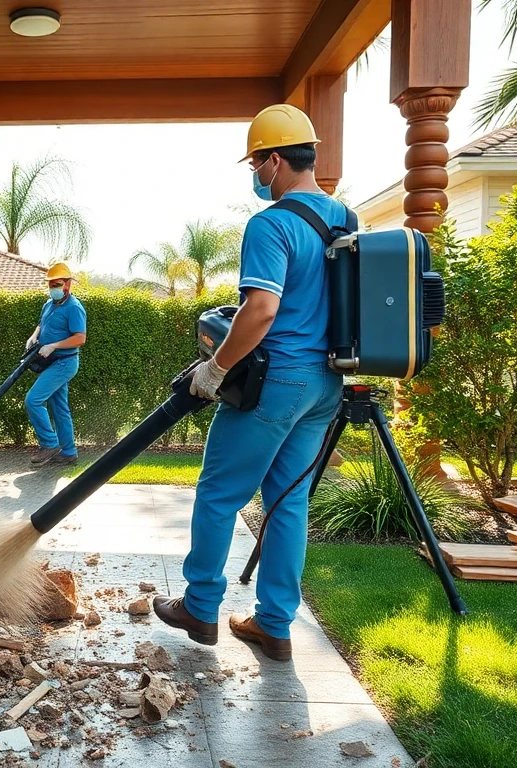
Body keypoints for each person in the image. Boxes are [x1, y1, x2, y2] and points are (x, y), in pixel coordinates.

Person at [152, 104, 347, 661]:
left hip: (276, 381)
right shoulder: (344, 219)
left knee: (219, 494)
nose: (257, 173)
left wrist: (215, 370)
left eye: (258, 162)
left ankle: (201, 606)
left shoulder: (272, 223)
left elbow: (260, 310)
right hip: (324, 384)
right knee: (287, 501)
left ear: (277, 160)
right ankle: (274, 625)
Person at [24, 263, 87, 467]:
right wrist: (34, 336)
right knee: (60, 408)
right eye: (51, 284)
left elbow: (80, 338)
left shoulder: (74, 308)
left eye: (57, 284)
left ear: (68, 285)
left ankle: (50, 444)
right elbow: (42, 324)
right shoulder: (49, 304)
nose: (53, 287)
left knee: (33, 400)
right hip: (51, 362)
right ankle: (69, 452)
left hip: (64, 363)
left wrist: (53, 345)